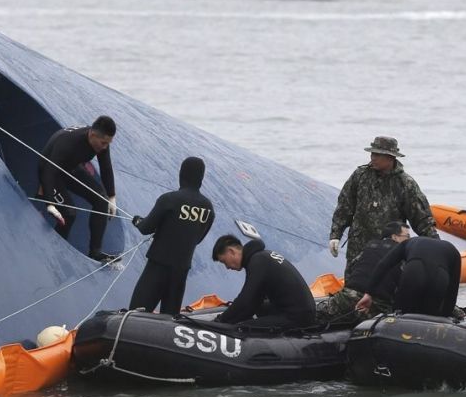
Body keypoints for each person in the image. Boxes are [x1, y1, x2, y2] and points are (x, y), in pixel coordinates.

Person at [329, 136, 439, 279]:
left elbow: (421, 219)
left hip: (390, 251)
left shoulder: (405, 184)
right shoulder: (360, 176)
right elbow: (344, 206)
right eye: (372, 153)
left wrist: (437, 246)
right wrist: (335, 235)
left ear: (390, 157)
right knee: (353, 287)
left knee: (387, 290)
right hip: (358, 248)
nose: (372, 157)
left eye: (377, 154)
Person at [129, 157, 215, 314]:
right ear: (201, 178)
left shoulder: (170, 199)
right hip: (180, 271)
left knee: (136, 312)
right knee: (169, 318)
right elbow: (198, 238)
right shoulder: (208, 207)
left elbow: (146, 228)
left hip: (158, 266)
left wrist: (137, 221)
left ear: (182, 174)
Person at [38, 116, 118, 261]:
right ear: (92, 135)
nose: (105, 147)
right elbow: (48, 171)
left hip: (71, 167)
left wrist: (112, 197)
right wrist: (50, 203)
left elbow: (106, 167)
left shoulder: (101, 141)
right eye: (103, 143)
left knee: (101, 200)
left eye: (108, 143)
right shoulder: (68, 144)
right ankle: (53, 253)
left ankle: (95, 252)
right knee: (69, 213)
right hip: (50, 170)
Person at [211, 235, 316, 329]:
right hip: (302, 310)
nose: (227, 267)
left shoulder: (257, 263)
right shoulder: (262, 256)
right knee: (259, 308)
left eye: (224, 262)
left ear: (231, 252)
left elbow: (246, 300)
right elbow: (254, 301)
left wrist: (219, 321)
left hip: (297, 317)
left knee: (243, 329)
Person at [317, 221, 410, 323]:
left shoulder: (370, 246)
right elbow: (405, 287)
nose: (409, 240)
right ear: (395, 237)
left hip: (347, 298)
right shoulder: (404, 255)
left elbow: (351, 268)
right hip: (375, 308)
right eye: (407, 236)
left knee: (314, 315)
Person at [356, 236, 461, 317]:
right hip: (440, 276)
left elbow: (383, 265)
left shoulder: (408, 242)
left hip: (414, 270)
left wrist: (368, 294)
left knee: (401, 315)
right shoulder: (454, 251)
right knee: (430, 319)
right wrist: (446, 316)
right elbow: (452, 290)